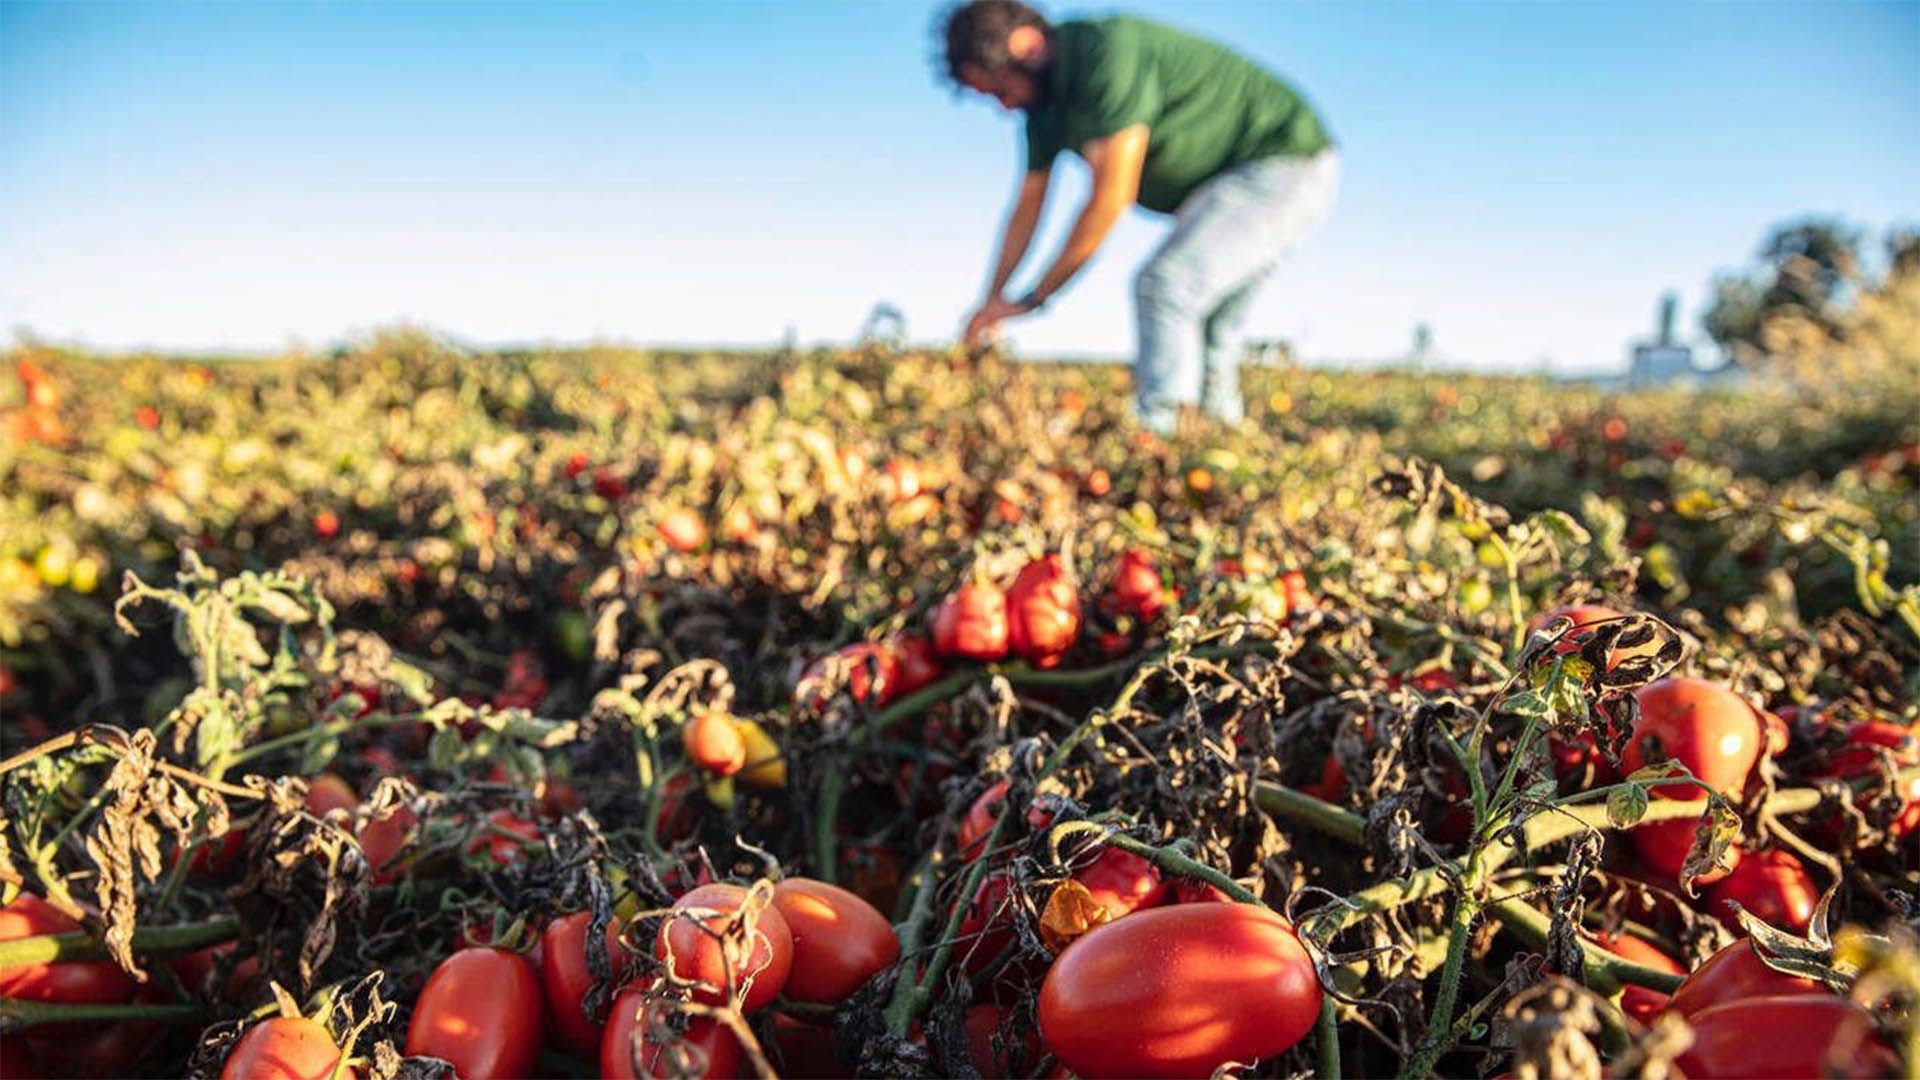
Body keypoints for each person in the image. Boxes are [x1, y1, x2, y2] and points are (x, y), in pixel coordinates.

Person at [945, 1, 1338, 434]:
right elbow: (1028, 207)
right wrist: (992, 301)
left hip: (1280, 162)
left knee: (1166, 285)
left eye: (1000, 89)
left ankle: (1157, 438)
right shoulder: (1042, 111)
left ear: (1026, 46)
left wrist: (1034, 298)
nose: (1003, 106)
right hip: (1223, 187)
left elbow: (1110, 198)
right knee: (1212, 327)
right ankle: (1218, 447)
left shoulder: (1105, 52)